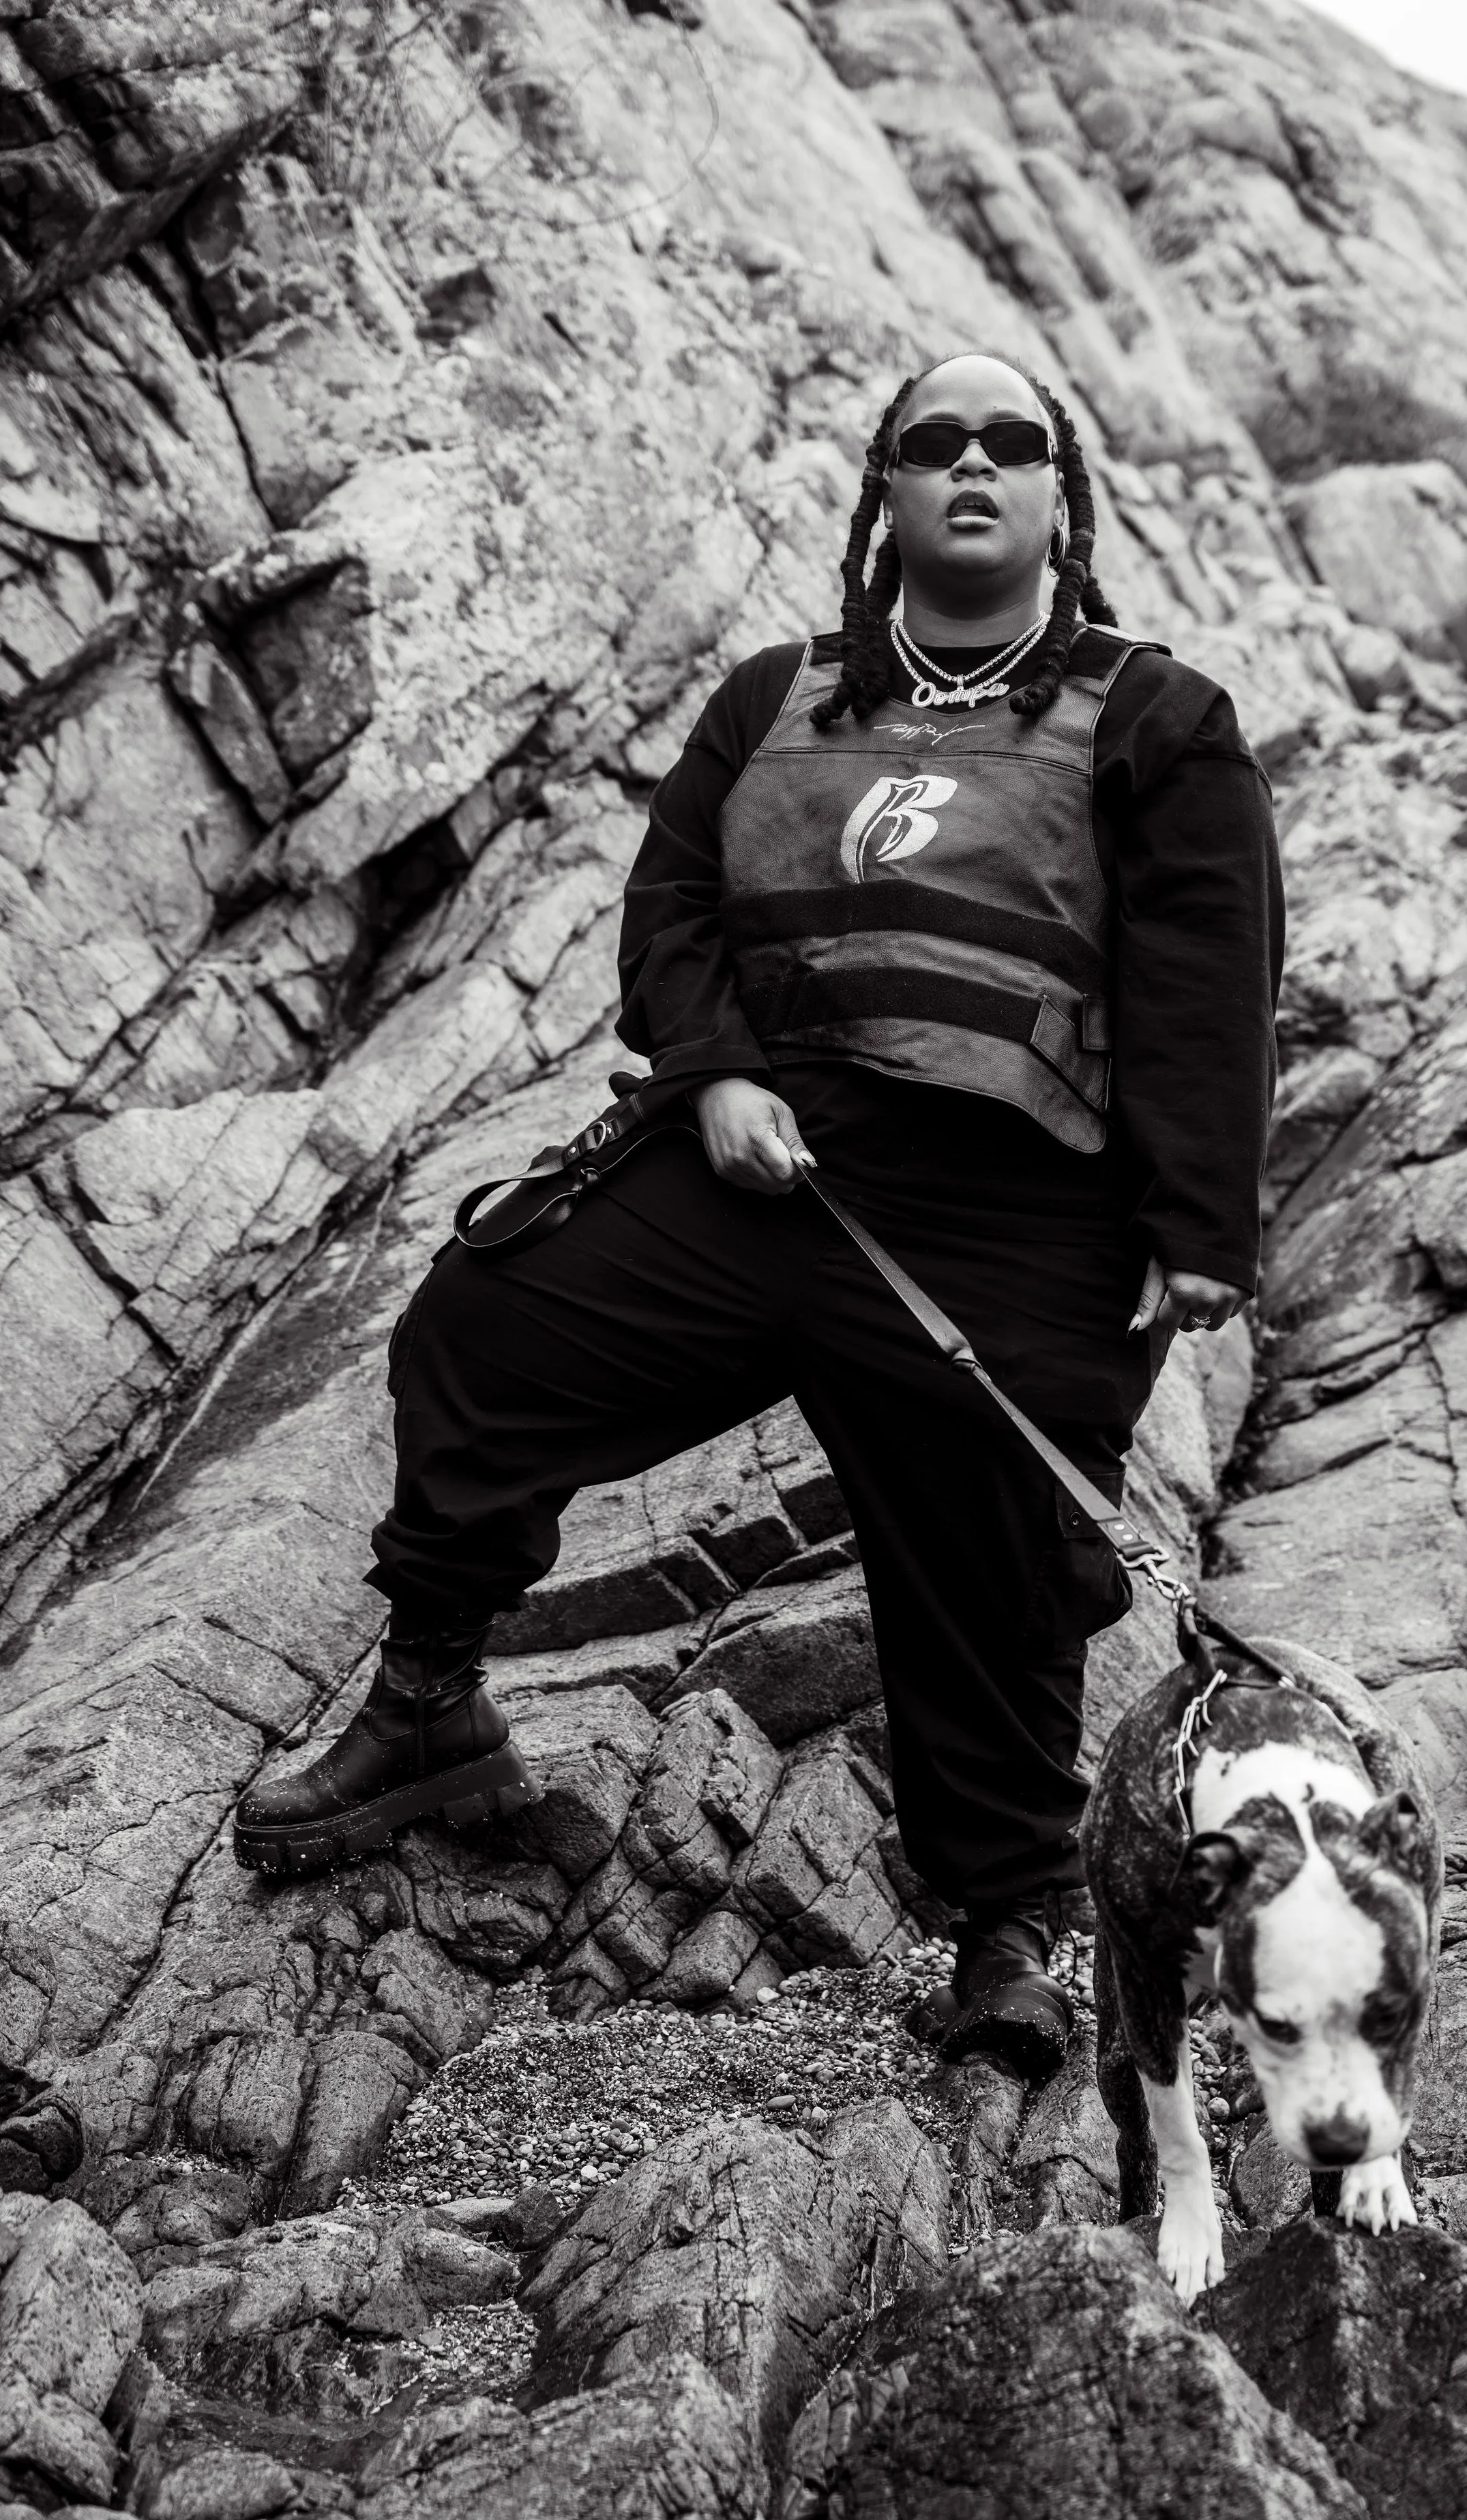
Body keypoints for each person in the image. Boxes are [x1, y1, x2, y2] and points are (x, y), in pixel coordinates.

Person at [233, 350, 1282, 2079]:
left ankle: (1008, 1923)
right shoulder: (768, 698)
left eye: (1008, 444)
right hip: (759, 1155)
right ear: (883, 488)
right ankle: (428, 1705)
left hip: (1013, 1207)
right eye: (931, 442)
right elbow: (670, 912)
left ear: (1058, 498)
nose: (969, 464)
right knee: (483, 1326)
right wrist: (714, 1071)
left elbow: (1206, 975)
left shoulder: (1154, 717)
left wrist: (1196, 1229)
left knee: (1002, 1560)